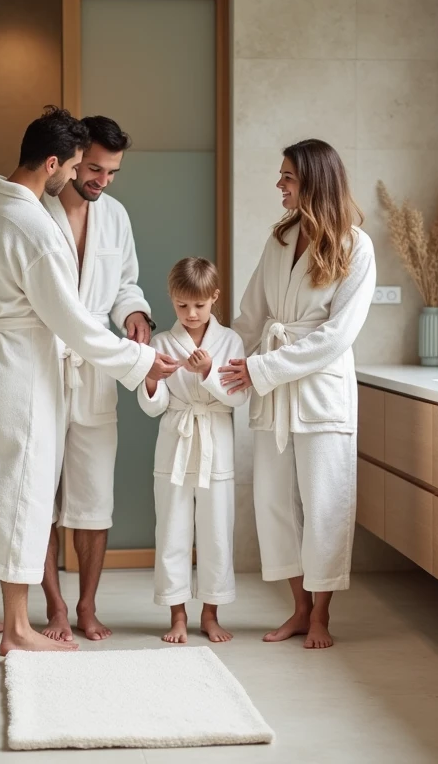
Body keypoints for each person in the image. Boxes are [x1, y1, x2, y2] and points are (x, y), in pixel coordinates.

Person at [0, 107, 178, 654]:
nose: (89, 177)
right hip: (26, 367)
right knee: (23, 492)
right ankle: (21, 625)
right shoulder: (36, 224)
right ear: (57, 162)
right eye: (81, 166)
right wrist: (139, 363)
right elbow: (67, 319)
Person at [219, 139, 376, 650]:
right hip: (273, 393)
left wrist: (261, 368)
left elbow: (336, 335)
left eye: (287, 176)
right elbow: (250, 317)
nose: (279, 184)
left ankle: (322, 615)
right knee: (274, 504)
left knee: (325, 503)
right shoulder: (280, 239)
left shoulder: (355, 246)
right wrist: (213, 362)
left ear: (313, 181)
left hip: (319, 392)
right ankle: (299, 609)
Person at [138, 258, 246, 644]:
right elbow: (153, 406)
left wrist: (209, 373)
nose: (191, 313)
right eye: (182, 305)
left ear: (214, 297)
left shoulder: (230, 341)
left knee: (216, 531)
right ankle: (178, 615)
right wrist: (151, 378)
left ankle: (211, 615)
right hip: (176, 442)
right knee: (172, 530)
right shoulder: (161, 343)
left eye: (199, 305)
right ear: (171, 298)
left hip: (216, 440)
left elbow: (238, 398)